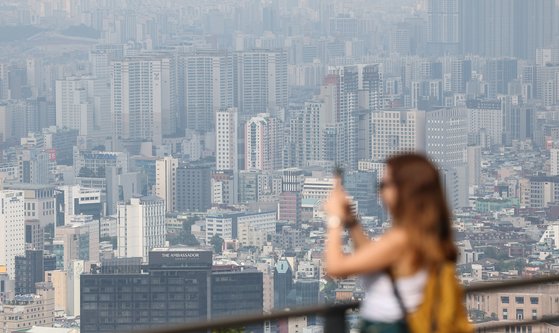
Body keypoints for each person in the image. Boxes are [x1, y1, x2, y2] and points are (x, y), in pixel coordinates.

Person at [324, 153, 458, 333]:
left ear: (405, 190)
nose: (379, 191)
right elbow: (373, 258)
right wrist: (352, 222)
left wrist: (335, 219)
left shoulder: (401, 239)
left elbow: (335, 267)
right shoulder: (421, 233)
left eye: (383, 185)